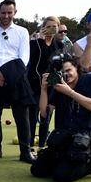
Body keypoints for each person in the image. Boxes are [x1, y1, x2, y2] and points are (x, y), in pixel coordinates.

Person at [31, 56, 91, 182]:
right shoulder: (59, 86)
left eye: (68, 70)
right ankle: (69, 161)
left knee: (61, 177)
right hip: (65, 137)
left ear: (77, 68)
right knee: (37, 171)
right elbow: (44, 114)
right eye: (61, 72)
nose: (65, 75)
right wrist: (43, 89)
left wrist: (70, 92)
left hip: (87, 138)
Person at [0, 0, 35, 163]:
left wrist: (4, 75)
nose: (6, 15)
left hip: (17, 78)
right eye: (3, 12)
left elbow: (23, 59)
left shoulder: (22, 32)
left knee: (22, 117)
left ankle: (25, 152)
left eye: (9, 12)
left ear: (15, 13)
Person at [27, 16, 64, 150]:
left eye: (55, 26)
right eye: (49, 26)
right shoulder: (34, 43)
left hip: (51, 85)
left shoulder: (59, 45)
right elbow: (32, 59)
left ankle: (42, 146)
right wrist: (40, 41)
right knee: (32, 116)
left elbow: (57, 64)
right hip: (34, 84)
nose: (52, 29)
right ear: (43, 27)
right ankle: (29, 146)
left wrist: (53, 82)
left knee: (46, 117)